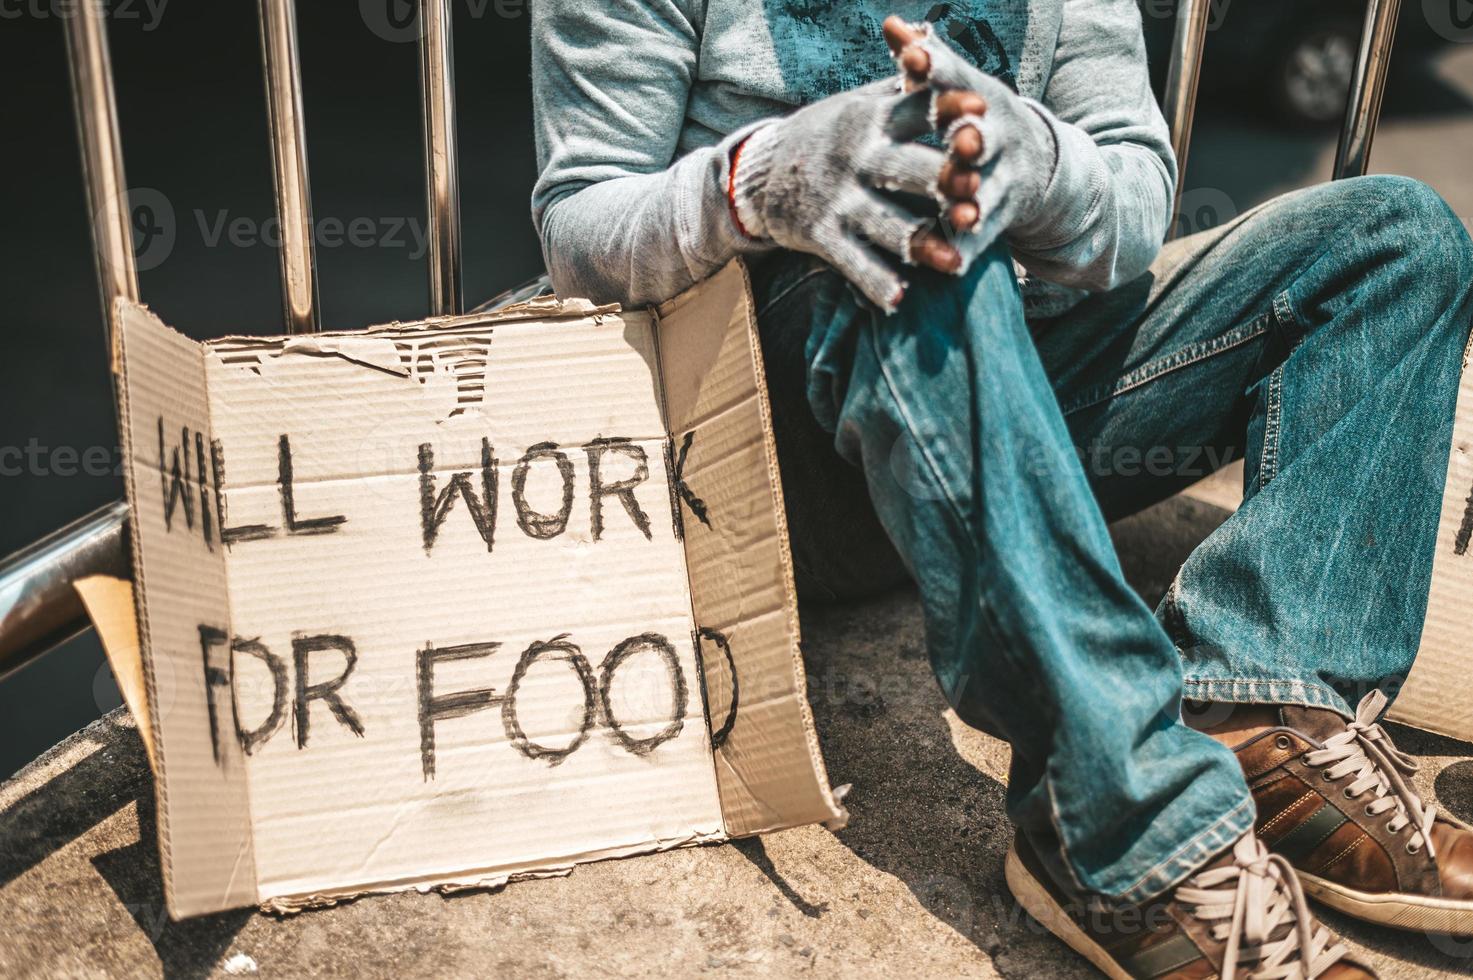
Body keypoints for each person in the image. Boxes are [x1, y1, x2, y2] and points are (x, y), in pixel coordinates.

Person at [529, 2, 1473, 975]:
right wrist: (757, 180)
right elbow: (579, 228)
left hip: (1015, 405)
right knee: (910, 242)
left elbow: (1136, 197)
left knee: (1393, 236)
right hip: (774, 456)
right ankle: (1124, 826)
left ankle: (1263, 715)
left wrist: (1043, 162)